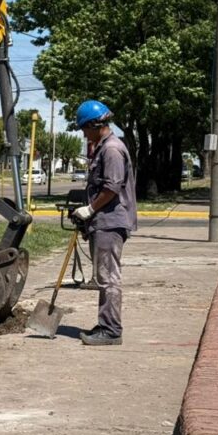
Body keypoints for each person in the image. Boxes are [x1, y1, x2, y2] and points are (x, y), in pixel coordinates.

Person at [70, 99, 138, 346]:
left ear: (95, 125)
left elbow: (111, 187)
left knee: (108, 277)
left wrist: (90, 209)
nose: (83, 133)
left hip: (110, 222)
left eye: (84, 128)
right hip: (103, 221)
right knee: (103, 276)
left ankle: (111, 331)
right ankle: (106, 322)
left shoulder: (111, 150)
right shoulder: (103, 147)